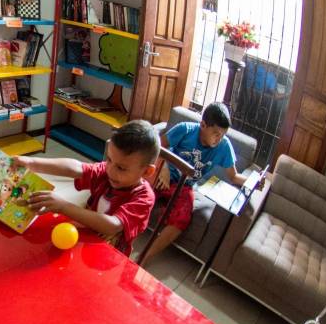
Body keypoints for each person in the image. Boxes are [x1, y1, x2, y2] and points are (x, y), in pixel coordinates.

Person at [14, 120, 159, 256]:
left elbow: (113, 226)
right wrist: (31, 162)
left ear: (147, 172)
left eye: (121, 168)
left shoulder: (143, 198)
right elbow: (76, 167)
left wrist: (63, 206)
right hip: (82, 239)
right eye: (109, 159)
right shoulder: (106, 172)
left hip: (108, 255)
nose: (110, 170)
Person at [140, 102, 249, 265]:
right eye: (216, 133)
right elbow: (157, 147)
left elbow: (234, 177)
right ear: (203, 125)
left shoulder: (224, 146)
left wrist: (253, 181)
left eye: (223, 135)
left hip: (184, 186)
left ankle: (144, 257)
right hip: (163, 173)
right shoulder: (185, 129)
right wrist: (164, 166)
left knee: (182, 218)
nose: (219, 139)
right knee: (141, 193)